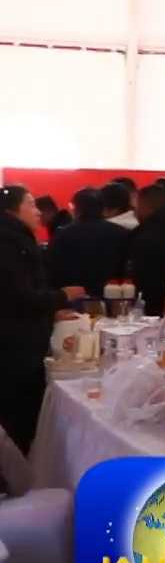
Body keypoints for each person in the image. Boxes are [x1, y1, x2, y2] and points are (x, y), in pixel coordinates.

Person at [0, 186, 84, 454]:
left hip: (20, 340)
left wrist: (51, 312)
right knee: (17, 417)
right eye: (31, 204)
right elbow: (17, 297)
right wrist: (61, 296)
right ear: (12, 210)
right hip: (15, 346)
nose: (38, 212)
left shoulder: (17, 239)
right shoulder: (9, 243)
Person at [47, 188, 131, 299]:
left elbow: (53, 270)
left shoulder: (63, 234)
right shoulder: (121, 233)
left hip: (75, 298)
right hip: (113, 297)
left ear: (77, 209)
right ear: (103, 208)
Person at [127, 183, 165, 316]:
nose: (135, 213)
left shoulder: (147, 234)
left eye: (136, 208)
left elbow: (143, 275)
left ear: (145, 205)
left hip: (153, 302)